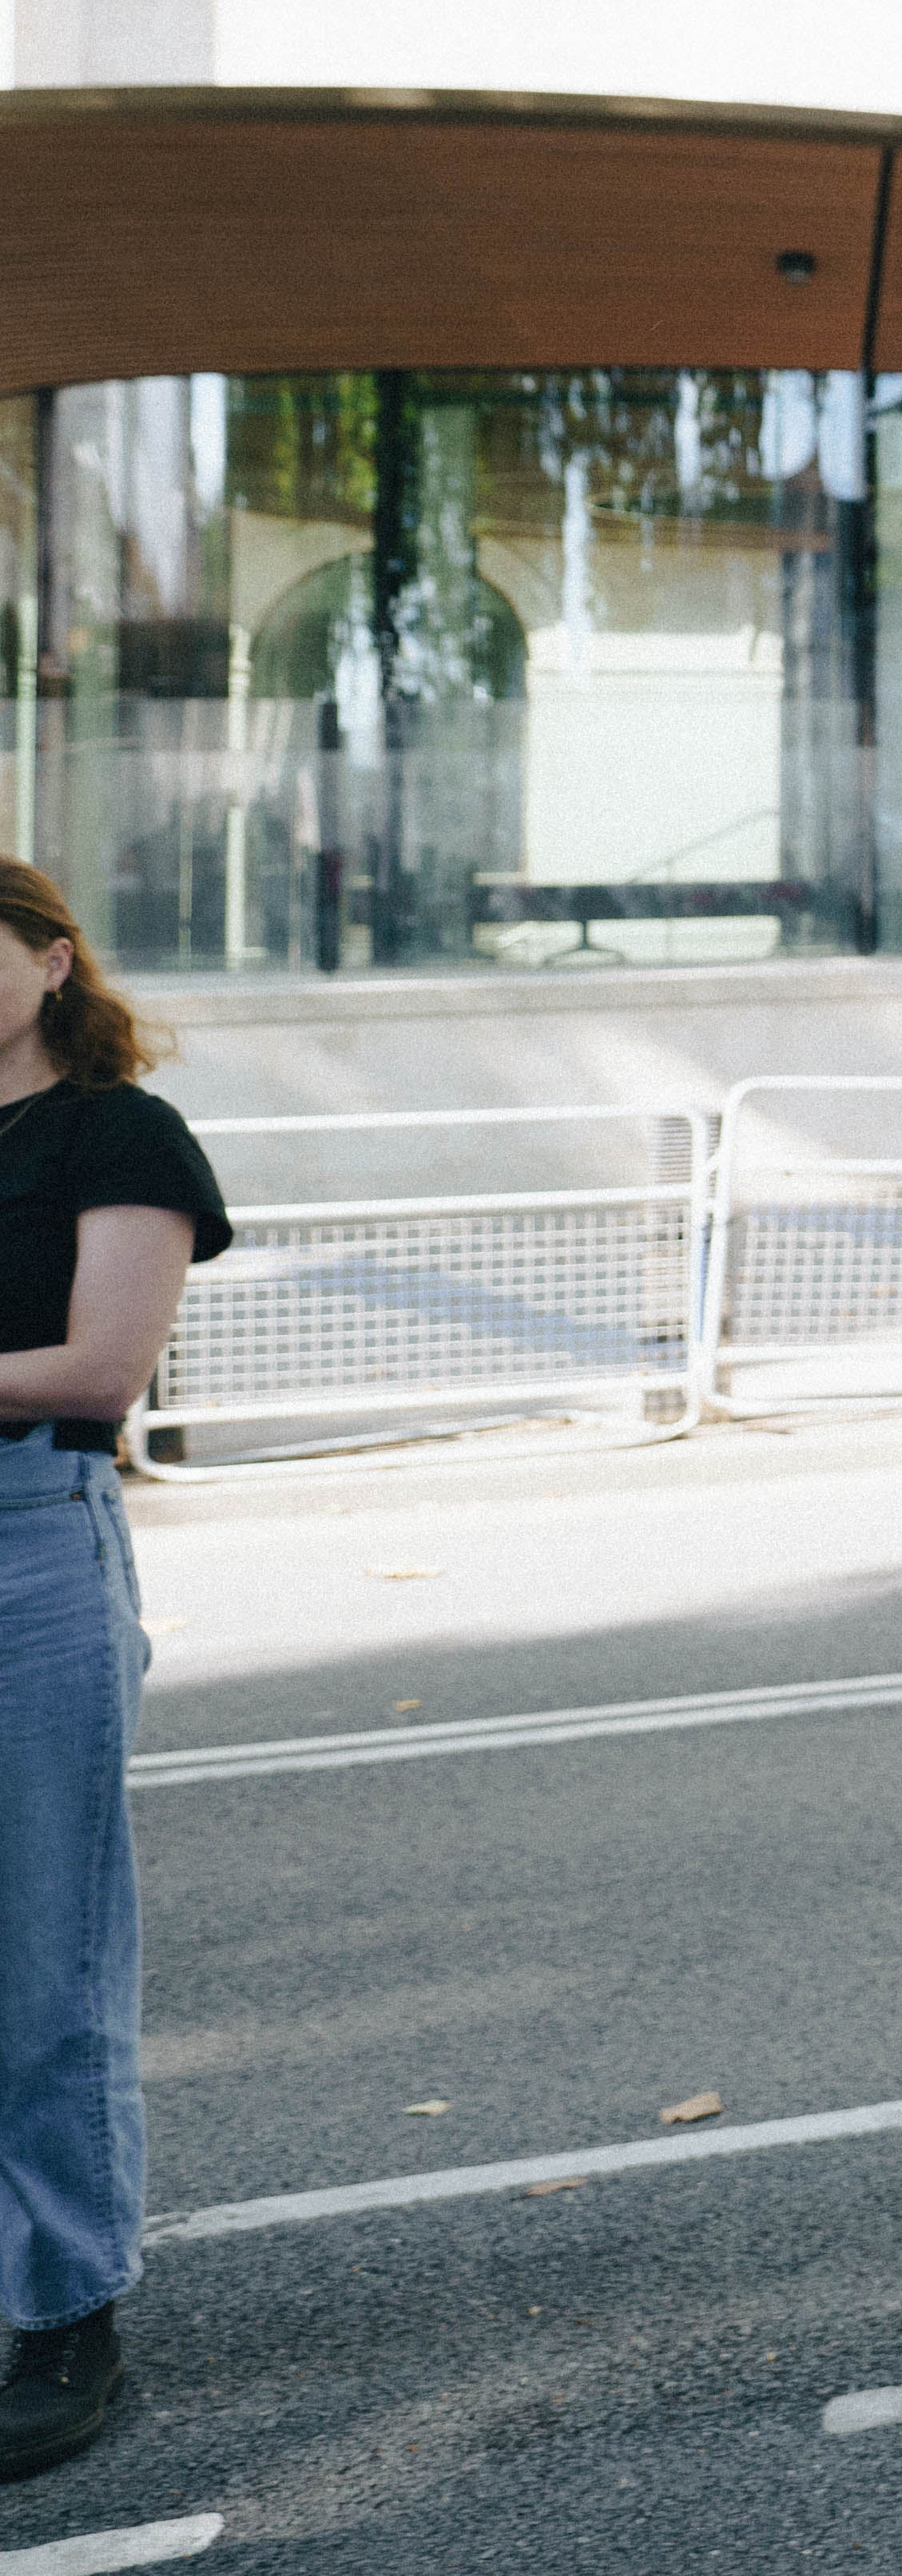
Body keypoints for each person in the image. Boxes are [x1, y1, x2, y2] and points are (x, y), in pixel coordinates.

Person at [1, 862, 229, 2488]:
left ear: (48, 955)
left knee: (47, 1954)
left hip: (29, 1544)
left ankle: (70, 2309)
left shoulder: (117, 1132)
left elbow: (96, 1367)